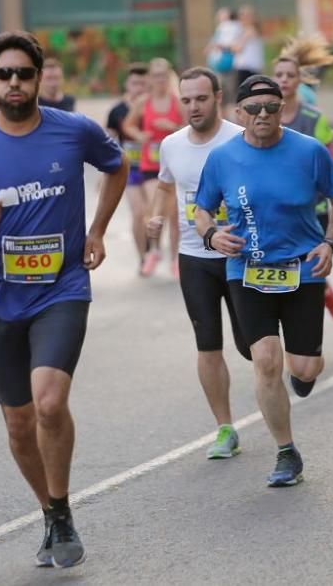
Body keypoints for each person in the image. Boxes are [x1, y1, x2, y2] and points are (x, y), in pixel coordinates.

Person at [0, 30, 128, 568]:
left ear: (40, 77)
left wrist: (96, 232)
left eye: (25, 73)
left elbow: (117, 167)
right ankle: (48, 511)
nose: (15, 83)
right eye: (5, 74)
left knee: (48, 402)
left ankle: (63, 507)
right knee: (20, 423)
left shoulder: (73, 133)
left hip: (63, 289)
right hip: (0, 298)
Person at [195, 75, 333, 487]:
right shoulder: (222, 159)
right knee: (266, 361)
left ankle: (304, 373)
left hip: (302, 269)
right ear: (237, 113)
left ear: (282, 109)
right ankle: (286, 452)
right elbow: (202, 210)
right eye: (253, 108)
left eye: (271, 107)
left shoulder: (308, 151)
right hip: (246, 270)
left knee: (304, 368)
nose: (262, 115)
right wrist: (212, 234)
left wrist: (330, 243)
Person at [146, 67, 251, 459]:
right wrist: (155, 215)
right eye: (186, 99)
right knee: (208, 345)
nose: (193, 106)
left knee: (251, 345)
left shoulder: (239, 139)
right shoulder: (172, 145)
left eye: (200, 99)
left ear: (217, 97)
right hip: (194, 258)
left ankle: (275, 390)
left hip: (240, 255)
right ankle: (225, 428)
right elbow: (164, 183)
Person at [272, 51, 333, 322]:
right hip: (275, 208)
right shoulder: (264, 117)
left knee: (311, 266)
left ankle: (321, 295)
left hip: (312, 206)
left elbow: (329, 162)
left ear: (299, 80)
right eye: (279, 75)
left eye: (290, 75)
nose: (284, 80)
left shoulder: (313, 117)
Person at [122, 57, 182, 277]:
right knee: (154, 210)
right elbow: (127, 124)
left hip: (174, 163)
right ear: (150, 78)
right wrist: (141, 135)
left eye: (163, 75)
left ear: (169, 76)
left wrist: (173, 127)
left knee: (175, 213)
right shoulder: (143, 102)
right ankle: (154, 250)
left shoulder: (177, 102)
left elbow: (189, 127)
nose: (160, 80)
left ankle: (175, 258)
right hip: (150, 164)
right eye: (155, 76)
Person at [105, 62, 150, 270]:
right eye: (135, 83)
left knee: (151, 213)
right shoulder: (117, 111)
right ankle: (143, 257)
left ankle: (150, 245)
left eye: (143, 83)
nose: (139, 88)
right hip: (129, 168)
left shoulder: (154, 106)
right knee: (138, 212)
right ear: (127, 85)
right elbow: (108, 140)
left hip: (152, 167)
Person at [204, 8, 241, 100]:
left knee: (229, 93)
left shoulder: (233, 26)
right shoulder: (221, 28)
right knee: (220, 93)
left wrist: (218, 46)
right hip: (218, 66)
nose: (218, 17)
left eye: (221, 15)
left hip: (228, 64)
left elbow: (232, 45)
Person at [232, 6, 265, 86]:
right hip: (247, 68)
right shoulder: (244, 30)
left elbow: (237, 48)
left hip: (248, 68)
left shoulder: (250, 30)